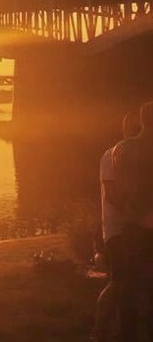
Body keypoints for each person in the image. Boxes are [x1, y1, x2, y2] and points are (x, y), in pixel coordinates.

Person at [93, 111, 141, 341]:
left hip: (135, 230)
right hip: (118, 232)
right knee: (120, 283)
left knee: (130, 281)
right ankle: (100, 330)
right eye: (133, 129)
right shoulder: (110, 155)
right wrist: (137, 216)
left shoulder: (139, 157)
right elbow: (112, 195)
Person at [112, 102, 153, 342]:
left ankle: (127, 334)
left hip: (133, 227)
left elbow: (118, 193)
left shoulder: (122, 149)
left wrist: (135, 214)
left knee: (129, 285)